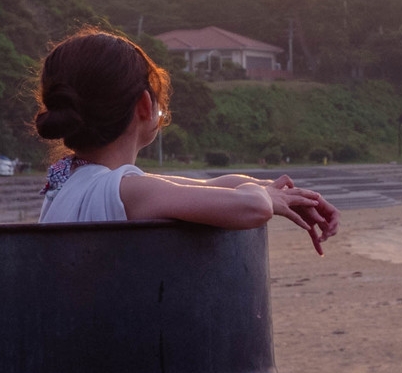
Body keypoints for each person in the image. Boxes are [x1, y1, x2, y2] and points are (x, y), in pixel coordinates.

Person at [31, 30, 339, 250]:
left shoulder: (69, 179)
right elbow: (251, 208)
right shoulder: (125, 190)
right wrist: (266, 199)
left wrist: (275, 191)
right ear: (143, 106)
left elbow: (202, 188)